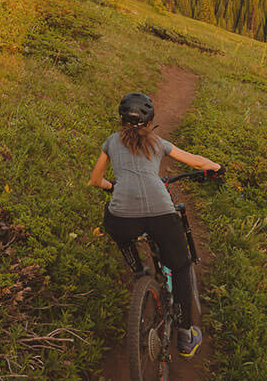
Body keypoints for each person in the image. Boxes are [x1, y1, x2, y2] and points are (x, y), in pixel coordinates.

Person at [88, 91, 221, 357]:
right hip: (161, 215)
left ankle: (138, 270)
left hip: (123, 218)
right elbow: (195, 161)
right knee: (180, 267)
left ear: (121, 120)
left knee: (113, 223)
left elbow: (95, 180)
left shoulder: (111, 142)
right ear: (150, 122)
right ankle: (185, 335)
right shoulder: (158, 143)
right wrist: (216, 167)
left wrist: (111, 186)